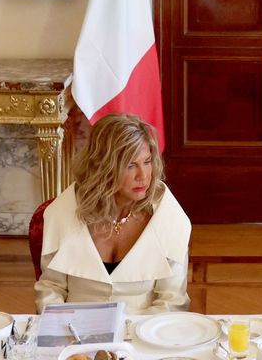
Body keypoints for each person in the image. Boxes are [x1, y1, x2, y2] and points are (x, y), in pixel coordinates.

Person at [34, 114, 191, 314]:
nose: (143, 176)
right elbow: (51, 289)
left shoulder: (169, 217)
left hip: (142, 335)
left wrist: (129, 335)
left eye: (147, 161)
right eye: (130, 165)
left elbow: (172, 301)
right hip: (76, 335)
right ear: (103, 167)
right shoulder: (62, 213)